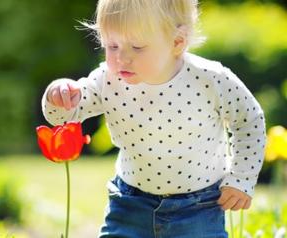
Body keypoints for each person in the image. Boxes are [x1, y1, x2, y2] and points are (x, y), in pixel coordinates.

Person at [40, 0, 266, 237]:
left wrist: (241, 178)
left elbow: (249, 120)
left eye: (137, 47)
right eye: (112, 46)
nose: (122, 58)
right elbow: (62, 117)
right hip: (130, 203)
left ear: (177, 42)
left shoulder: (211, 79)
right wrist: (58, 95)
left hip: (200, 206)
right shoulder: (107, 80)